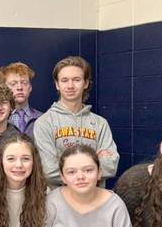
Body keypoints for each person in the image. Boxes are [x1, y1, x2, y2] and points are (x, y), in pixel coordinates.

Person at [34, 56, 119, 187]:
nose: (70, 86)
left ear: (85, 83)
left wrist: (66, 166)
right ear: (57, 84)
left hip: (95, 200)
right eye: (64, 80)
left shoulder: (100, 123)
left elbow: (111, 165)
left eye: (76, 80)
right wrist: (93, 165)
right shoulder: (44, 123)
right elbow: (48, 171)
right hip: (59, 202)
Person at [0, 62, 43, 137]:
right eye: (13, 84)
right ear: (4, 88)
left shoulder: (43, 119)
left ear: (30, 87)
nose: (19, 87)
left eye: (24, 83)